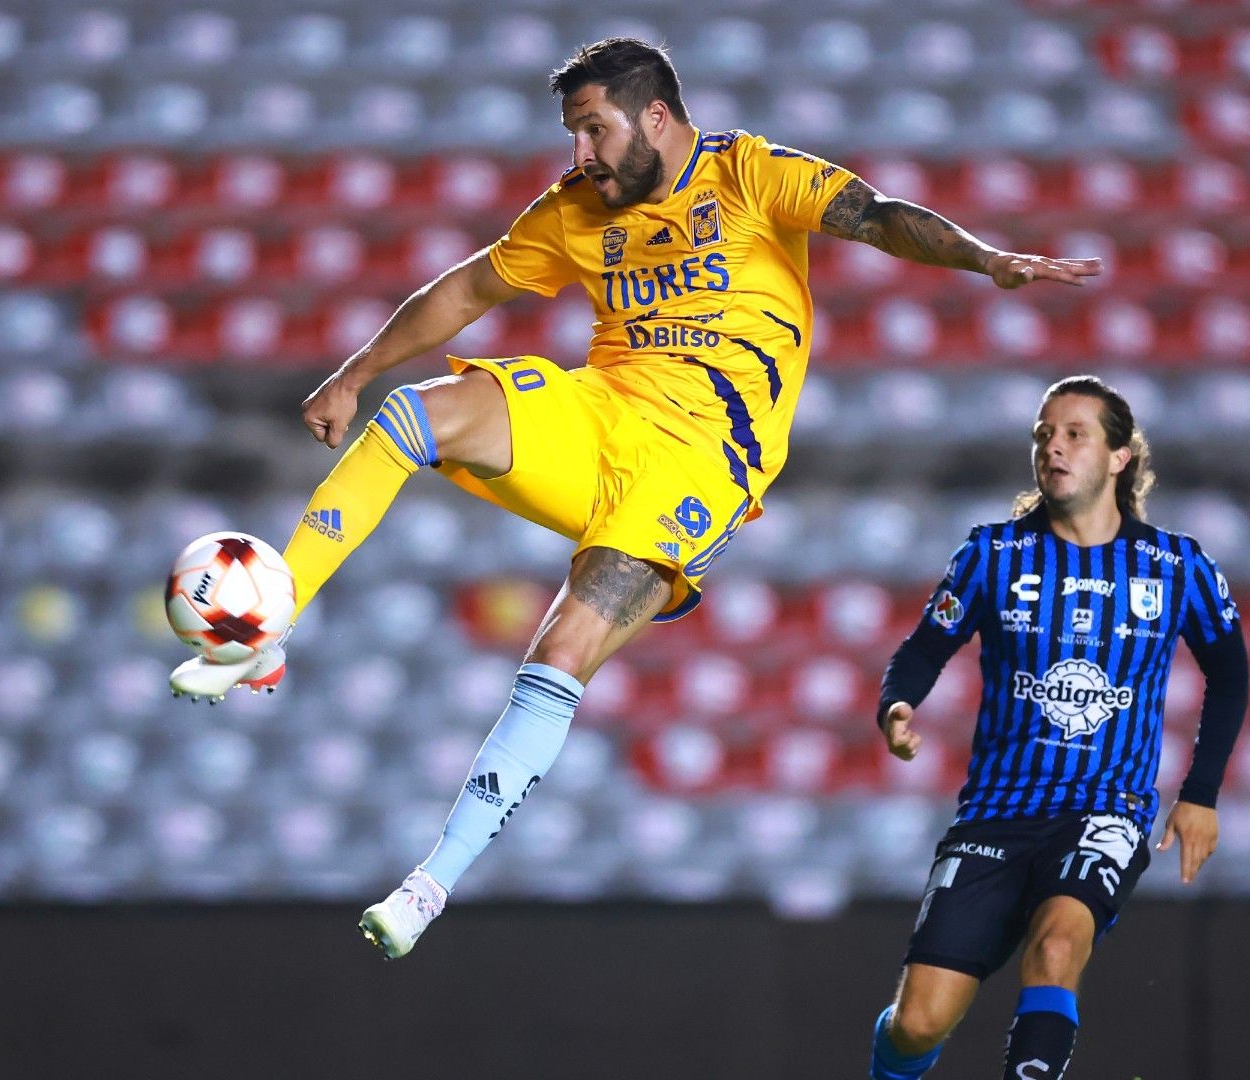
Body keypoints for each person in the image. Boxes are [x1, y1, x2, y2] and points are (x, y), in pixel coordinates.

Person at [168, 37, 1101, 959]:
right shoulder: (576, 210)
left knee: (563, 646)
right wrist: (357, 369)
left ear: (656, 115)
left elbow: (878, 214)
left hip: (701, 464)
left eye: (593, 129)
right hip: (600, 413)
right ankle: (266, 627)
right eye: (572, 133)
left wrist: (987, 261)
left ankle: (429, 884)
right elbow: (469, 288)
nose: (580, 154)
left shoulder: (750, 175)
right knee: (421, 410)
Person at [865, 376, 1249, 1080]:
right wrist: (897, 706)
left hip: (1106, 809)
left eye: (1075, 433)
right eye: (1044, 433)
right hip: (997, 813)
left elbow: (1230, 673)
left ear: (1119, 457)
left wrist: (1201, 792)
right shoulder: (991, 555)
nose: (1054, 447)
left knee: (1056, 948)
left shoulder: (1176, 565)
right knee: (918, 1025)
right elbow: (924, 648)